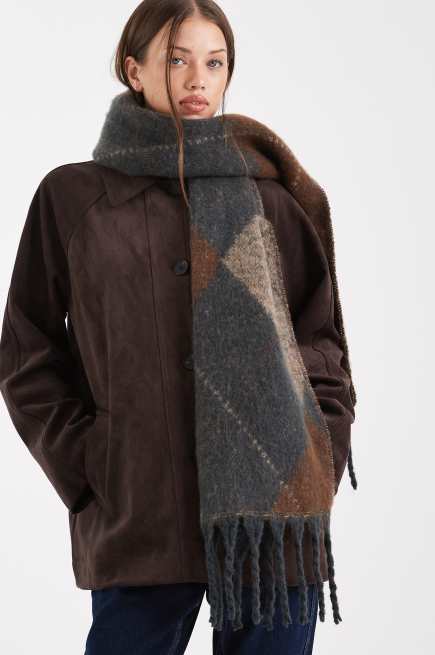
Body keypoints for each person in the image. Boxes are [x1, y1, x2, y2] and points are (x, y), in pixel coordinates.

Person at [0, 1, 358, 653]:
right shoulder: (75, 199)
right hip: (139, 515)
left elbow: (321, 343)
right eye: (176, 59)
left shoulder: (271, 199)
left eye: (214, 62)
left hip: (273, 523)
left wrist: (316, 453)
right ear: (133, 70)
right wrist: (90, 465)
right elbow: (28, 351)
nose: (198, 79)